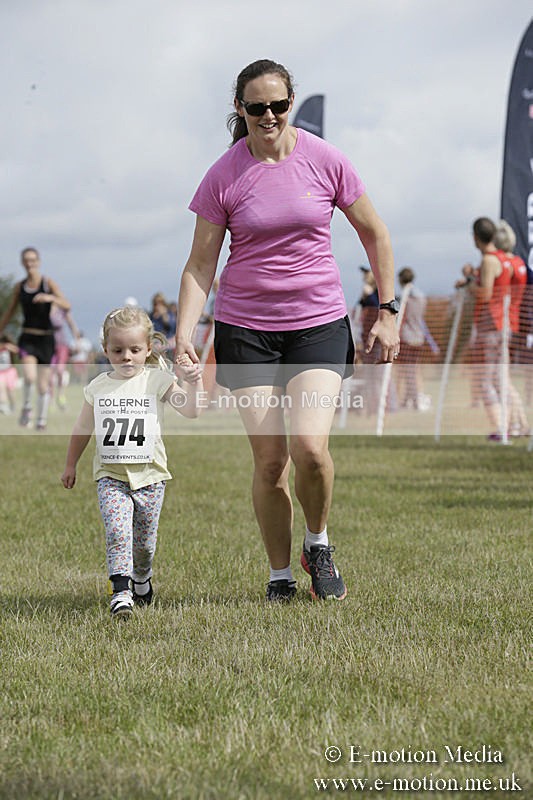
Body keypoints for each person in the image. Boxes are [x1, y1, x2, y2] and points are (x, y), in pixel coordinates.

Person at [176, 58, 399, 603]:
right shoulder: (224, 174)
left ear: (290, 102)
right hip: (246, 330)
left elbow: (376, 236)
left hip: (317, 324)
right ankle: (280, 575)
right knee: (270, 460)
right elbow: (200, 264)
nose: (269, 115)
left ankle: (317, 543)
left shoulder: (325, 160)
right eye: (257, 108)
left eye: (278, 105)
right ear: (240, 109)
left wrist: (389, 311)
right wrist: (185, 333)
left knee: (310, 449)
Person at [61, 306, 203, 617]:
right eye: (118, 350)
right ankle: (121, 592)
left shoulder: (158, 381)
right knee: (117, 533)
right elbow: (82, 428)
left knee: (144, 544)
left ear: (148, 349)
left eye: (135, 350)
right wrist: (71, 464)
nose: (126, 356)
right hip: (111, 476)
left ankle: (141, 579)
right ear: (105, 350)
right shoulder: (97, 387)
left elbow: (192, 410)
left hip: (151, 478)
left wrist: (194, 381)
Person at [0, 247, 71, 430]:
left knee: (43, 385)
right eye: (26, 260)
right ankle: (26, 408)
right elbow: (10, 312)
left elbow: (66, 304)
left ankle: (41, 420)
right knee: (29, 377)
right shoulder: (20, 287)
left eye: (33, 260)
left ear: (38, 262)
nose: (30, 263)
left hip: (46, 340)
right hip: (28, 338)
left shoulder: (48, 283)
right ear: (23, 263)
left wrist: (50, 298)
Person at [466, 217, 512, 440]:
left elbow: (486, 292)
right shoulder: (504, 259)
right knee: (500, 378)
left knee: (486, 380)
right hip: (503, 322)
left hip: (490, 324)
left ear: (476, 237)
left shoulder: (488, 260)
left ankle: (501, 428)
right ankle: (509, 425)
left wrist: (469, 285)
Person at [493, 220, 529, 436]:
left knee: (500, 378)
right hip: (512, 321)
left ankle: (519, 423)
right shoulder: (519, 263)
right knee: (502, 376)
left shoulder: (500, 262)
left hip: (500, 321)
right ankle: (518, 423)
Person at [396, 267, 431, 410]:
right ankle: (409, 398)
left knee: (409, 371)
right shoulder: (421, 297)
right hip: (418, 337)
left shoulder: (405, 297)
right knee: (413, 369)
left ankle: (415, 398)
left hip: (407, 337)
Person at [49, 303, 80, 409]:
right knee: (50, 373)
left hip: (62, 345)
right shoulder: (44, 309)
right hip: (48, 346)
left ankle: (61, 395)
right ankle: (51, 398)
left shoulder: (62, 310)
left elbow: (72, 325)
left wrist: (77, 341)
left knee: (60, 371)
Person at [0, 334, 19, 414]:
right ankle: (4, 406)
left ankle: (13, 406)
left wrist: (7, 346)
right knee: (1, 389)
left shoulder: (8, 347)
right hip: (1, 372)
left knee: (10, 390)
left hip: (9, 371)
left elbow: (17, 350)